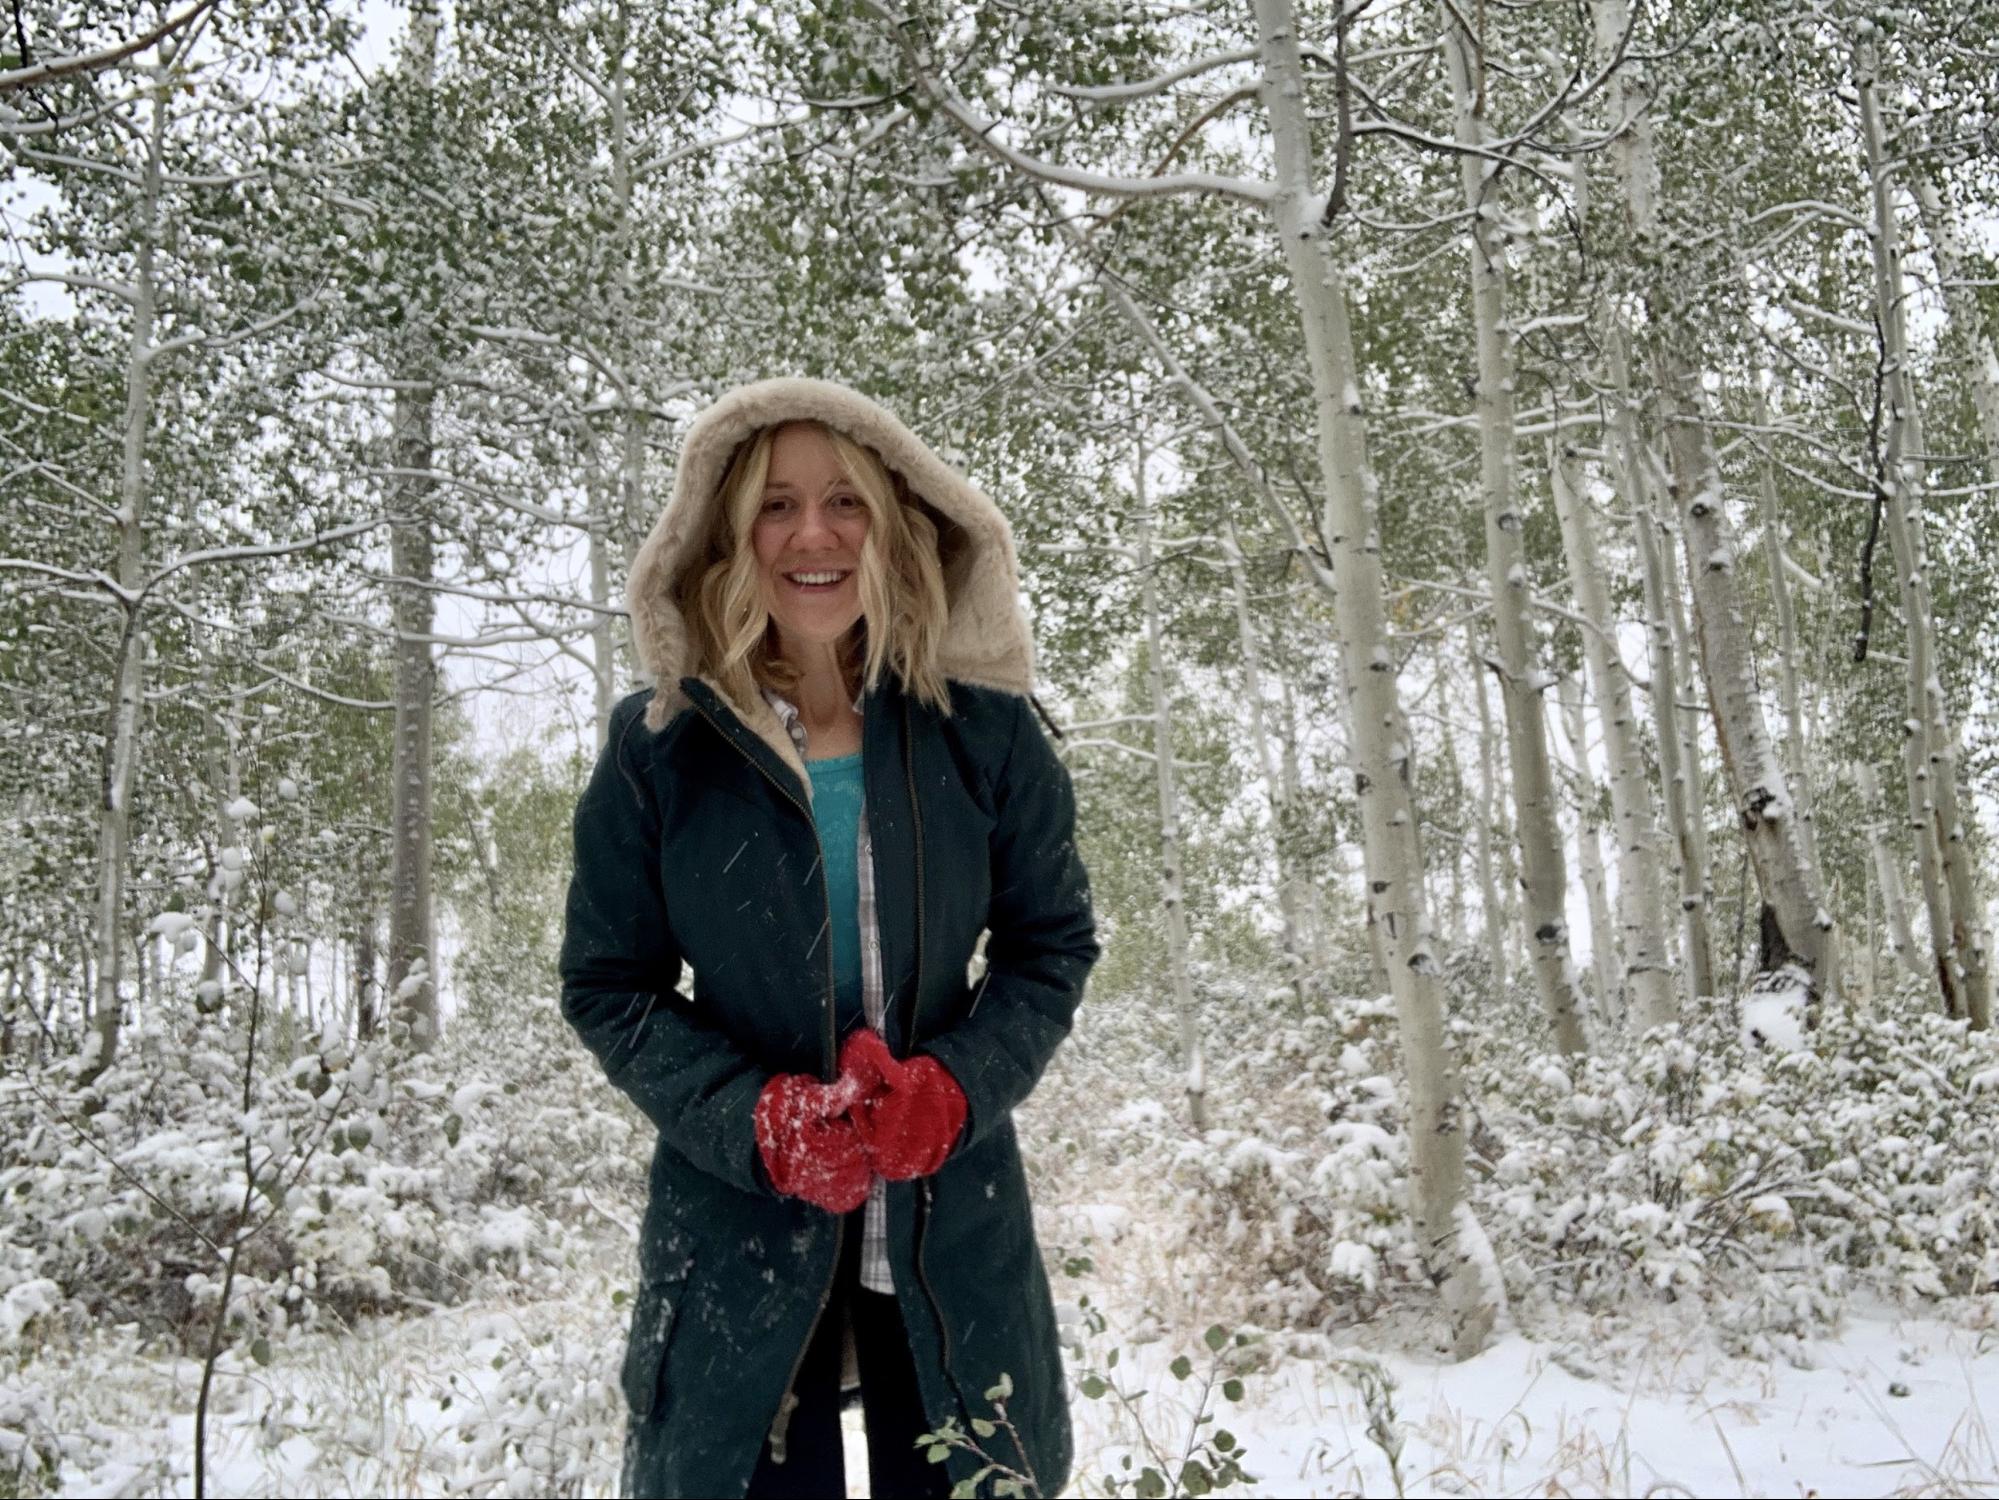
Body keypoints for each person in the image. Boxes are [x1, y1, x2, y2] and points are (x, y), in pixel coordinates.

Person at [559, 377, 1098, 1500]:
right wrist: (753, 1119)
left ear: (895, 523)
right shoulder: (658, 748)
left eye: (846, 501)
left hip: (948, 1231)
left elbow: (1051, 946)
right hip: (740, 1234)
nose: (814, 534)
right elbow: (610, 984)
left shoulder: (983, 734)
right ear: (725, 532)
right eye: (776, 504)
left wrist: (953, 1088)